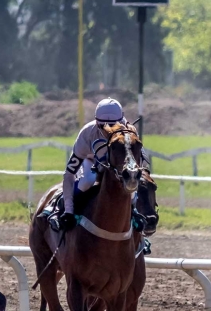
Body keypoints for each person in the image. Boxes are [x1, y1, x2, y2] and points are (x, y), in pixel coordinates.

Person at [55, 98, 146, 231]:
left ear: (122, 121)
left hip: (116, 166)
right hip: (91, 161)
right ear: (96, 121)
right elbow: (69, 174)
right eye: (102, 126)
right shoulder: (87, 133)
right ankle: (66, 207)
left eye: (113, 125)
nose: (107, 131)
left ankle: (135, 213)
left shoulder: (129, 131)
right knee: (88, 180)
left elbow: (138, 163)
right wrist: (68, 210)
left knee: (130, 178)